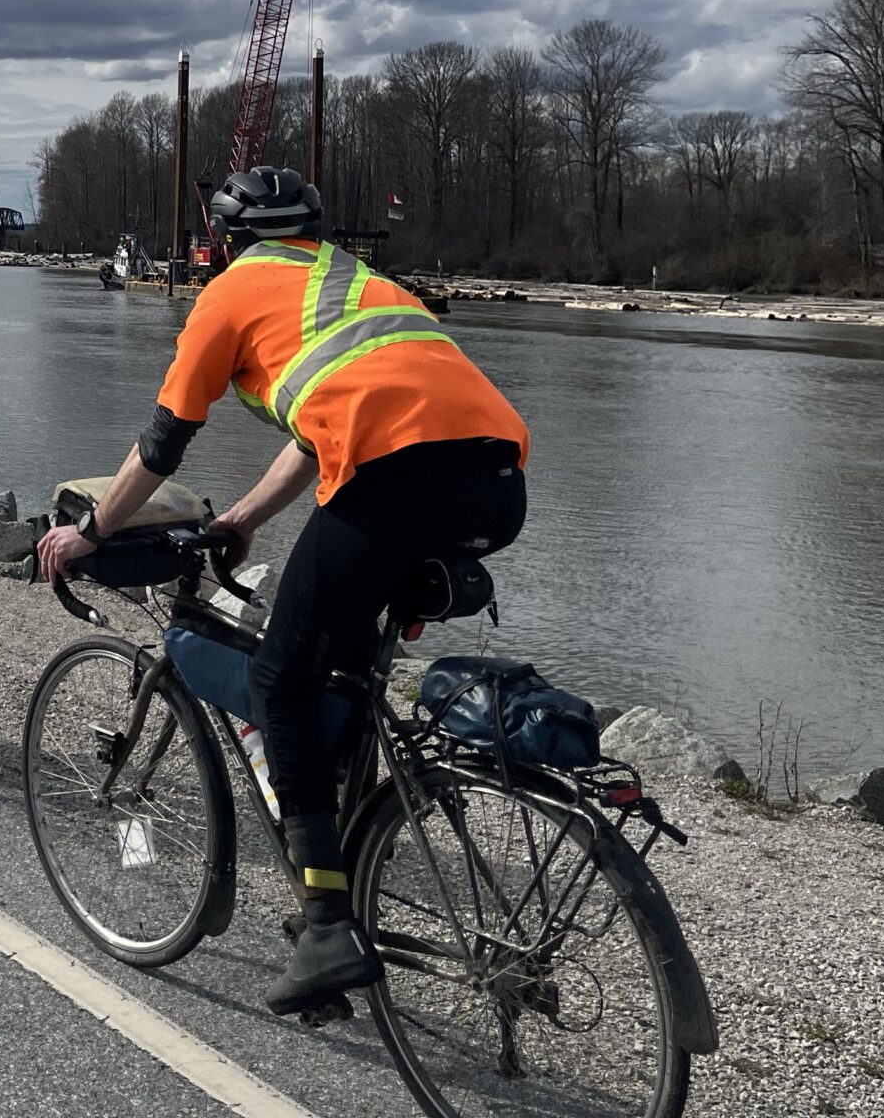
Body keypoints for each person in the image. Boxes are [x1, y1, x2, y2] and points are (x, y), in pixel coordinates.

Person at [35, 166, 529, 1016]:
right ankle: (345, 859)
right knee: (338, 671)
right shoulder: (357, 282)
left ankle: (329, 926)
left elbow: (161, 445)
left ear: (227, 241)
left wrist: (95, 533)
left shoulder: (230, 293)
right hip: (497, 483)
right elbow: (314, 434)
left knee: (279, 681)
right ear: (311, 232)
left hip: (393, 480)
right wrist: (245, 519)